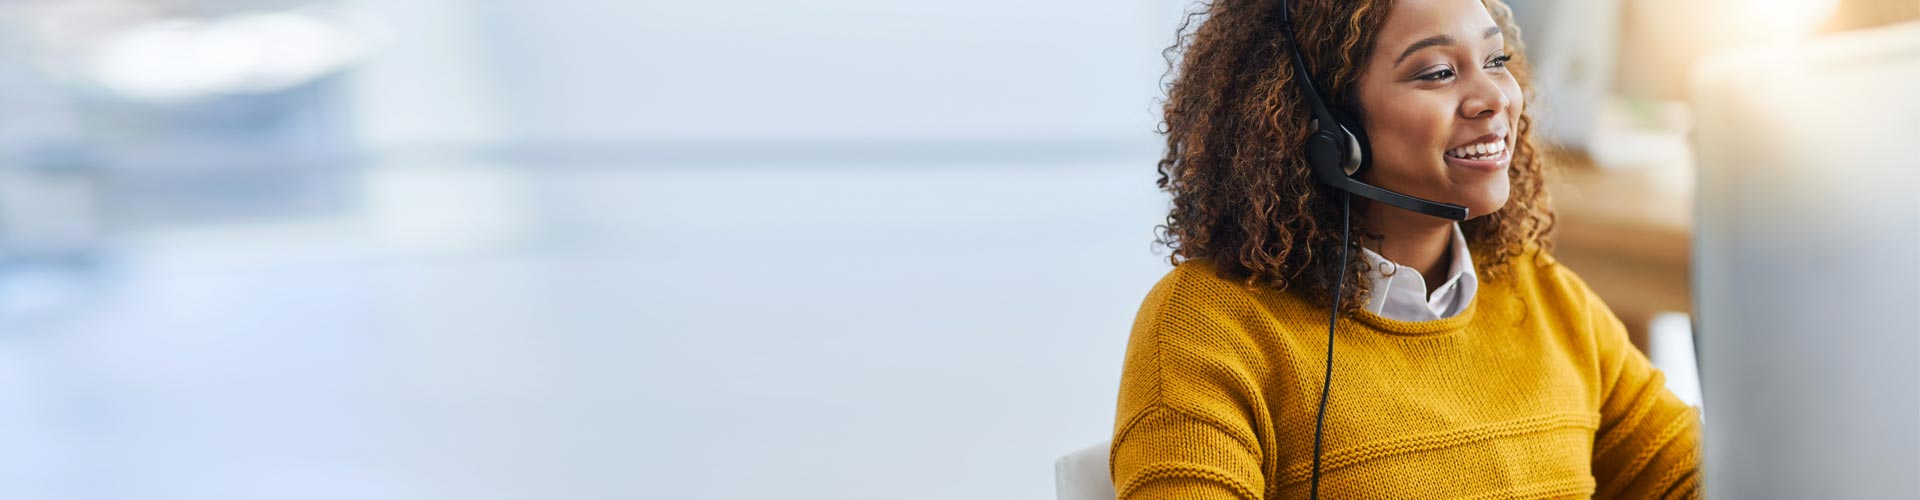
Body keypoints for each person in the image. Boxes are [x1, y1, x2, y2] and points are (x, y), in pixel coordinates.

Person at [1108, 0, 1702, 498]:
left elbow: (1699, 479)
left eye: (1495, 61)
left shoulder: (1542, 294)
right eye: (1437, 73)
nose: (1493, 99)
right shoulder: (1206, 329)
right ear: (1323, 128)